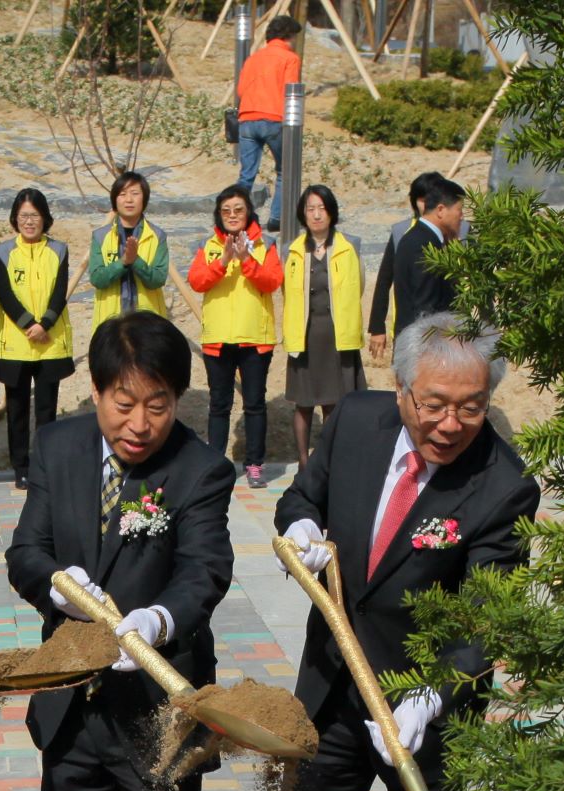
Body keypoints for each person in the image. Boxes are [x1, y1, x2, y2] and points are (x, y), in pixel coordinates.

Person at [273, 314, 539, 791]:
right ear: (401, 390)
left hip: (428, 718)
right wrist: (299, 528)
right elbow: (301, 495)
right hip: (333, 693)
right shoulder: (355, 421)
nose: (450, 425)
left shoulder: (504, 486)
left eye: (471, 408)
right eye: (434, 404)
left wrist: (429, 696)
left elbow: (486, 619)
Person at [7, 313, 236, 791]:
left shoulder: (200, 469)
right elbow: (26, 549)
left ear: (177, 400)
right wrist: (56, 585)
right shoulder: (58, 446)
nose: (139, 424)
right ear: (97, 390)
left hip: (156, 716)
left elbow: (204, 569)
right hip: (73, 708)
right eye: (124, 402)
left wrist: (158, 620)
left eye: (157, 405)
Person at [188, 184, 284, 488]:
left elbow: (272, 281)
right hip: (218, 338)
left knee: (254, 403)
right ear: (219, 214)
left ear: (248, 212)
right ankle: (216, 463)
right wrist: (222, 261)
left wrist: (245, 260)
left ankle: (255, 464)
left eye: (238, 210)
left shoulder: (265, 244)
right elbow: (196, 281)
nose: (232, 215)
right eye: (226, 211)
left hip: (254, 338)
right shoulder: (210, 245)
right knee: (219, 403)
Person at [0, 187, 72, 492]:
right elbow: (5, 294)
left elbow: (60, 289)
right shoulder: (2, 252)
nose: (29, 221)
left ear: (44, 218)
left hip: (50, 341)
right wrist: (29, 324)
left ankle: (45, 466)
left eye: (34, 215)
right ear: (15, 218)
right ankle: (21, 468)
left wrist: (46, 323)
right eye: (23, 216)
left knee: (47, 410)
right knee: (18, 408)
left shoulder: (59, 250)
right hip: (16, 342)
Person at [284, 183, 364, 464]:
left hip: (336, 334)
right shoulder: (292, 251)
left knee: (334, 401)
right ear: (302, 214)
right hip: (304, 334)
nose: (316, 215)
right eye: (310, 209)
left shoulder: (348, 247)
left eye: (322, 208)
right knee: (304, 403)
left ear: (331, 212)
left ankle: (330, 459)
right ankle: (304, 463)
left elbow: (359, 286)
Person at [368, 174, 464, 365]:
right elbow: (425, 306)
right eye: (459, 210)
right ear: (441, 210)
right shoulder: (423, 243)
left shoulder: (423, 237)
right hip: (424, 351)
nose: (461, 216)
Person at [235, 16, 303, 207]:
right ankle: (276, 217)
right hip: (274, 118)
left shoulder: (252, 58)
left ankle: (234, 214)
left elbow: (240, 90)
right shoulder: (291, 58)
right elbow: (291, 91)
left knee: (246, 174)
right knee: (284, 170)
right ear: (288, 36)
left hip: (247, 118)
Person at [366, 172, 438, 348]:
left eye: (432, 198)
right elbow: (384, 280)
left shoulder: (458, 231)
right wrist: (377, 326)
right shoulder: (401, 232)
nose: (427, 204)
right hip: (406, 329)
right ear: (414, 201)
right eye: (422, 199)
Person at [88, 170, 169, 326]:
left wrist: (135, 261)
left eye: (135, 193)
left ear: (144, 198)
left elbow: (158, 279)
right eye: (123, 194)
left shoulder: (157, 236)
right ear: (115, 200)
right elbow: (97, 278)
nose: (129, 200)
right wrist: (123, 262)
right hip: (110, 325)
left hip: (148, 325)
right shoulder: (100, 236)